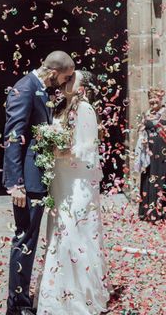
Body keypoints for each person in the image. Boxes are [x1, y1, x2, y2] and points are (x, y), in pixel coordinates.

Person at [3, 51, 75, 315]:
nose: (65, 83)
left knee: (30, 240)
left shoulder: (41, 89)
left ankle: (21, 299)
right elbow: (13, 135)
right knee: (24, 239)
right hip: (27, 181)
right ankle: (17, 306)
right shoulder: (25, 88)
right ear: (55, 72)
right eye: (65, 78)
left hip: (36, 178)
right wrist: (16, 184)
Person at [36, 70, 110, 315]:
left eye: (72, 79)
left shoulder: (85, 109)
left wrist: (60, 151)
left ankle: (79, 299)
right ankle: (56, 295)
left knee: (73, 234)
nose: (66, 81)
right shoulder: (59, 108)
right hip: (60, 181)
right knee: (58, 234)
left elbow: (88, 149)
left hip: (77, 183)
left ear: (82, 87)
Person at [136, 87, 166, 223]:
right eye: (150, 98)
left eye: (155, 97)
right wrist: (141, 135)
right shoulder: (146, 113)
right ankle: (148, 212)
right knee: (149, 178)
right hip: (149, 152)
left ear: (161, 98)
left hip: (163, 153)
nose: (153, 100)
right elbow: (141, 129)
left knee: (163, 178)